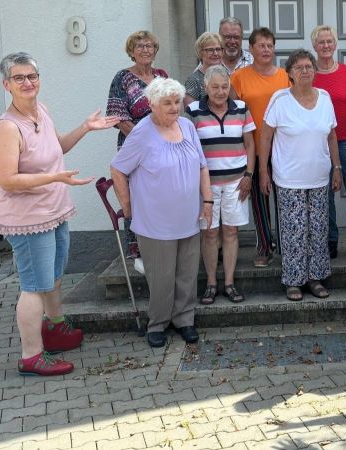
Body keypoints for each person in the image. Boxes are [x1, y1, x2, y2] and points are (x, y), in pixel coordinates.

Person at [0, 52, 119, 375]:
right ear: (7, 84)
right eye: (19, 78)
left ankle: (55, 327)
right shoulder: (7, 127)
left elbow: (57, 147)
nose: (27, 82)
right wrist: (54, 178)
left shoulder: (42, 111)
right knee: (34, 284)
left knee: (55, 276)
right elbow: (8, 179)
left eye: (31, 76)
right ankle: (32, 356)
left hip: (54, 210)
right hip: (28, 219)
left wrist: (86, 128)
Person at [110, 77, 213, 348]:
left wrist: (208, 201)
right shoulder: (142, 133)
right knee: (161, 277)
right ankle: (157, 323)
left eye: (177, 102)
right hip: (155, 221)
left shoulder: (188, 127)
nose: (173, 108)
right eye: (167, 103)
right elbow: (118, 168)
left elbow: (202, 166)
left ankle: (184, 320)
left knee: (187, 274)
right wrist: (128, 206)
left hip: (188, 217)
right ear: (152, 104)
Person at [259, 49, 341, 301]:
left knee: (317, 230)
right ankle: (294, 280)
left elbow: (331, 135)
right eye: (299, 67)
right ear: (290, 74)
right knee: (294, 231)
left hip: (318, 176)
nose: (305, 71)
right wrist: (263, 170)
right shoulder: (279, 99)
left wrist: (337, 168)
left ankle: (315, 278)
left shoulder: (325, 98)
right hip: (288, 178)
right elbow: (265, 137)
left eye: (309, 66)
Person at [187, 65, 256, 304]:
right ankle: (210, 283)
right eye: (215, 87)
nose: (220, 91)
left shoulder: (241, 108)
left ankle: (229, 283)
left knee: (231, 231)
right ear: (205, 87)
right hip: (206, 185)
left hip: (237, 181)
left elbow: (250, 145)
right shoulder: (193, 111)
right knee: (209, 233)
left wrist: (249, 175)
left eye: (224, 86)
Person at [106, 30, 169, 272]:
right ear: (131, 51)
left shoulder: (162, 76)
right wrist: (147, 140)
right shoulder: (122, 78)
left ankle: (162, 243)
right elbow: (118, 116)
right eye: (139, 46)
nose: (145, 50)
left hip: (163, 146)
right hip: (135, 147)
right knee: (137, 196)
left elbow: (170, 108)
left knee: (159, 195)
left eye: (149, 46)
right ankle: (139, 251)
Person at [230, 27, 291, 267]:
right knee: (259, 200)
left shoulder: (286, 76)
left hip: (283, 149)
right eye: (261, 45)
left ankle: (287, 246)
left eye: (270, 45)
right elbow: (234, 114)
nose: (266, 50)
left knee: (284, 199)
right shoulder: (239, 77)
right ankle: (264, 247)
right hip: (253, 149)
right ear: (251, 48)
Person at [310, 25, 346, 260]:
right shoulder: (308, 74)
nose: (325, 46)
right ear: (314, 46)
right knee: (325, 195)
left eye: (329, 41)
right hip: (319, 143)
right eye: (321, 42)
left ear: (335, 44)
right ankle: (330, 240)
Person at [183, 32, 224, 105]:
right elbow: (191, 112)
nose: (215, 53)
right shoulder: (193, 81)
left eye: (218, 49)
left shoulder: (227, 75)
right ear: (200, 53)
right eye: (210, 50)